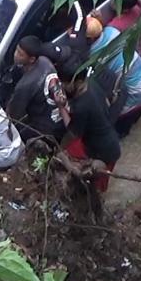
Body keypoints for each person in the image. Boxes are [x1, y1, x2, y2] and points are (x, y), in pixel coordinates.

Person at [85, 16, 141, 137]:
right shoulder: (112, 31)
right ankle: (133, 122)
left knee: (119, 119)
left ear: (89, 38)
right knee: (137, 110)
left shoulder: (92, 53)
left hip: (136, 91)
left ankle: (122, 133)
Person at [56, 59, 121, 193]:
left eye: (65, 83)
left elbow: (73, 133)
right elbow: (107, 103)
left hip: (104, 151)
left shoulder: (82, 106)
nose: (62, 86)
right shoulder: (91, 84)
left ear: (78, 82)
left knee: (95, 185)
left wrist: (61, 107)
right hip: (109, 139)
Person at [6, 36, 67, 143]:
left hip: (45, 127)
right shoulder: (45, 61)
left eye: (20, 54)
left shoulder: (25, 85)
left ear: (32, 59)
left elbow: (14, 115)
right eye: (16, 50)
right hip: (60, 113)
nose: (15, 55)